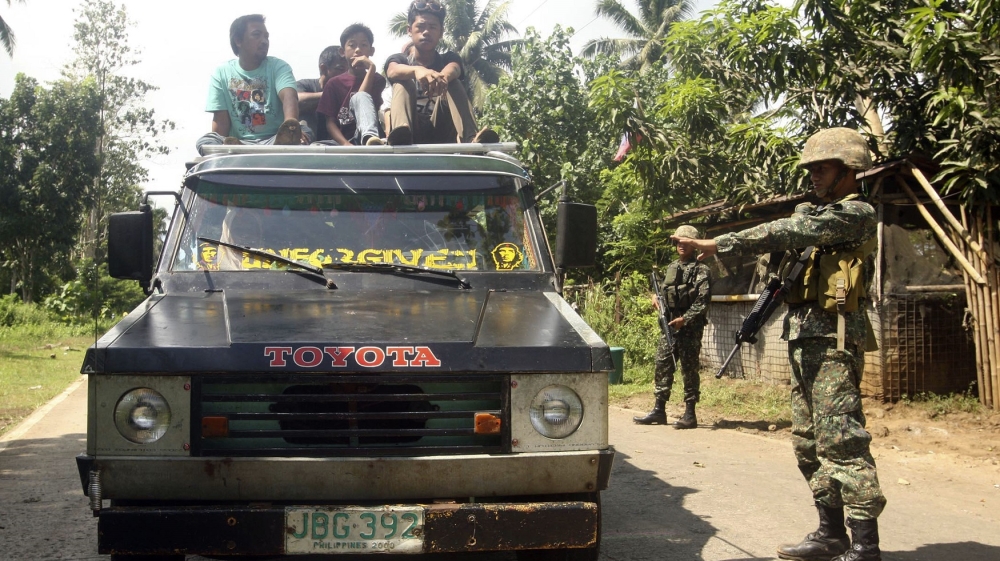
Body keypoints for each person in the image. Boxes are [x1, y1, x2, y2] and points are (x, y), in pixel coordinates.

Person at [674, 128, 886, 561]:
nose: (813, 175)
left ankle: (866, 546)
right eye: (810, 168)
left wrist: (719, 242)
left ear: (848, 171)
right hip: (803, 340)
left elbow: (787, 229)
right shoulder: (816, 219)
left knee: (841, 440)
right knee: (808, 442)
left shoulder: (854, 214)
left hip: (834, 341)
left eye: (821, 168)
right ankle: (831, 533)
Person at [383, 0, 498, 146]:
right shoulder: (400, 59)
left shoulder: (448, 58)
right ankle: (400, 136)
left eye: (432, 27)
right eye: (420, 27)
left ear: (441, 32)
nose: (426, 32)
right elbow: (392, 71)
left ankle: (470, 139)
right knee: (401, 81)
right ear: (409, 30)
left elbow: (454, 68)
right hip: (410, 131)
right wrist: (418, 70)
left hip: (441, 130)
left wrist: (441, 77)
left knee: (452, 81)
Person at [196, 14, 312, 154]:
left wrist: (292, 127)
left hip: (276, 138)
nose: (264, 41)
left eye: (266, 36)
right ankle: (236, 148)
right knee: (205, 141)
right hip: (239, 142)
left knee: (305, 131)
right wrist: (220, 147)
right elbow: (220, 121)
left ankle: (284, 142)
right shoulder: (221, 73)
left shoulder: (278, 66)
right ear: (238, 40)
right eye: (257, 35)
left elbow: (289, 97)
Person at [633, 224, 711, 429]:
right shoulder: (671, 267)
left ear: (693, 244)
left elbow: (703, 301)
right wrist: (655, 299)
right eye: (678, 242)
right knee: (662, 365)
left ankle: (690, 414)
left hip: (689, 327)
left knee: (689, 369)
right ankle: (659, 410)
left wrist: (685, 319)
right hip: (669, 324)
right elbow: (664, 292)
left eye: (685, 242)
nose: (681, 245)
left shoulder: (701, 269)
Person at [316, 24, 386, 146]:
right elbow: (330, 123)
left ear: (371, 51)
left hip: (372, 138)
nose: (358, 50)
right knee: (315, 146)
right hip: (343, 140)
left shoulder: (378, 80)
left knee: (360, 97)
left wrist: (371, 69)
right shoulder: (334, 84)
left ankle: (368, 138)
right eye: (352, 45)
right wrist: (345, 145)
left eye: (364, 45)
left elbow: (360, 97)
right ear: (342, 51)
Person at [297, 46, 348, 140]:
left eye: (348, 70)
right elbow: (295, 102)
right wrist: (330, 95)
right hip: (309, 145)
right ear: (324, 68)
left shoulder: (349, 90)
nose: (346, 74)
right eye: (341, 69)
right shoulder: (305, 85)